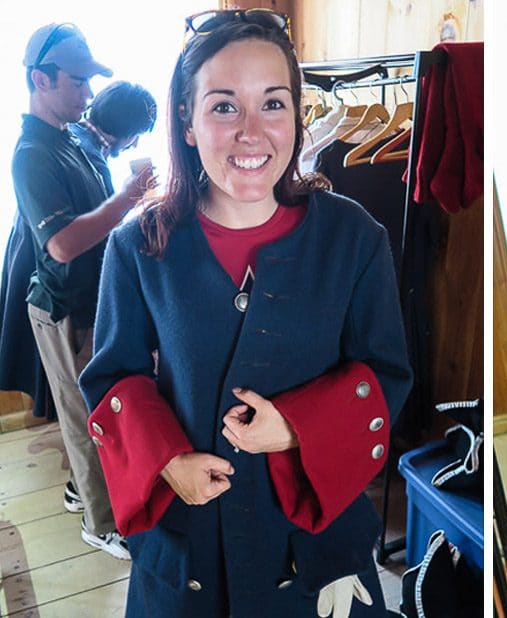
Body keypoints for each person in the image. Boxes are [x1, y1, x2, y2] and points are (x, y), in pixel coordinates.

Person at [78, 9, 412, 616]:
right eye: (225, 106)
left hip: (311, 550)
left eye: (274, 104)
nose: (252, 133)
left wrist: (297, 427)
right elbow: (114, 378)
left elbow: (385, 376)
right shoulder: (138, 245)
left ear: (298, 113)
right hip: (188, 549)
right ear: (187, 120)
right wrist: (167, 459)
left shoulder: (355, 240)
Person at [13, 22, 155, 560]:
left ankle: (81, 489)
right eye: (78, 81)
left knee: (95, 405)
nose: (90, 94)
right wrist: (129, 196)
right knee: (83, 414)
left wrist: (130, 204)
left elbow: (94, 220)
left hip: (89, 300)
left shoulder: (70, 138)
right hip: (61, 307)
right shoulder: (32, 155)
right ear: (40, 80)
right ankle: (102, 522)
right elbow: (63, 245)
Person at [68, 80, 157, 194]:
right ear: (125, 128)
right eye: (136, 135)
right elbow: (107, 212)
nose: (135, 144)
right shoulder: (95, 164)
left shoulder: (70, 129)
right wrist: (131, 196)